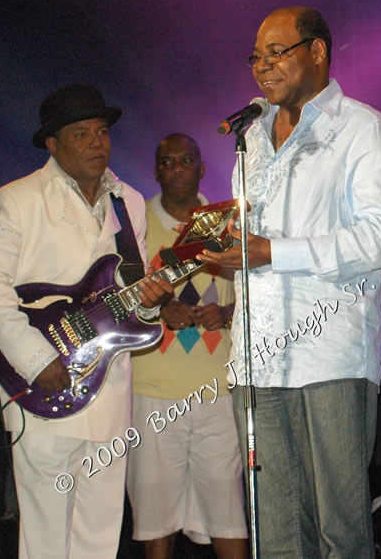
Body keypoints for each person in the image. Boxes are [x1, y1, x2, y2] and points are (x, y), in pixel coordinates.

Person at [198, 6, 381, 558]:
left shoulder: (363, 129)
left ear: (317, 51)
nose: (262, 67)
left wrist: (274, 253)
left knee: (339, 533)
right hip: (258, 359)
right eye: (255, 57)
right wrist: (235, 245)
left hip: (329, 358)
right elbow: (257, 239)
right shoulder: (252, 138)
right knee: (276, 534)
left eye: (276, 52)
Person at [0, 83, 173, 558]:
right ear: (53, 145)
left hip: (108, 383)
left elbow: (127, 298)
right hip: (43, 383)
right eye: (82, 134)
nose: (98, 142)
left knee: (99, 534)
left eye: (102, 131)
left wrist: (149, 304)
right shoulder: (18, 199)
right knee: (46, 537)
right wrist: (37, 359)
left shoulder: (130, 202)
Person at [126, 133, 247, 558]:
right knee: (156, 522)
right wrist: (161, 313)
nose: (176, 170)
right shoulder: (135, 224)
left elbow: (254, 295)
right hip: (152, 390)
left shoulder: (224, 223)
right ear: (156, 169)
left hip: (218, 389)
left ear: (201, 168)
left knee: (229, 516)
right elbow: (119, 299)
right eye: (167, 162)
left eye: (185, 161)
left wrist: (228, 315)